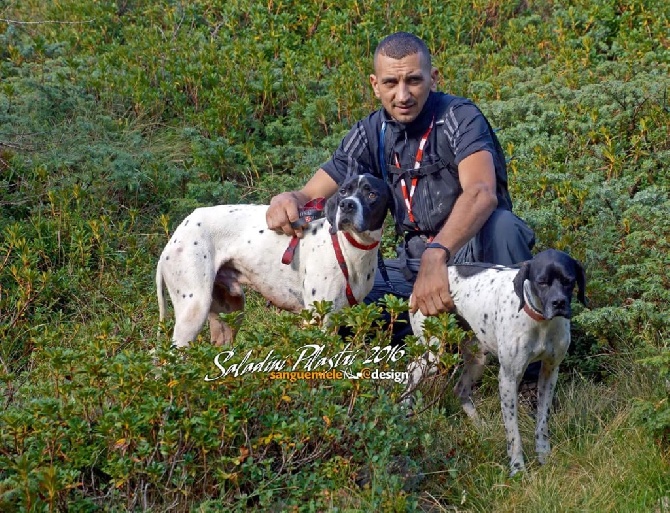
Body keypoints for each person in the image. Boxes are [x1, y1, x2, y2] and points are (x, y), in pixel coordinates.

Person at [266, 31, 535, 343]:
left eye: (414, 81)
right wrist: (289, 199)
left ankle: (524, 368)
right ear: (375, 85)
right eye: (391, 83)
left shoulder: (459, 117)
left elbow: (481, 191)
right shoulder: (372, 131)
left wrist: (437, 255)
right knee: (339, 303)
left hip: (474, 258)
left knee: (505, 227)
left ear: (433, 78)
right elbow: (312, 192)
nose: (403, 95)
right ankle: (446, 334)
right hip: (412, 267)